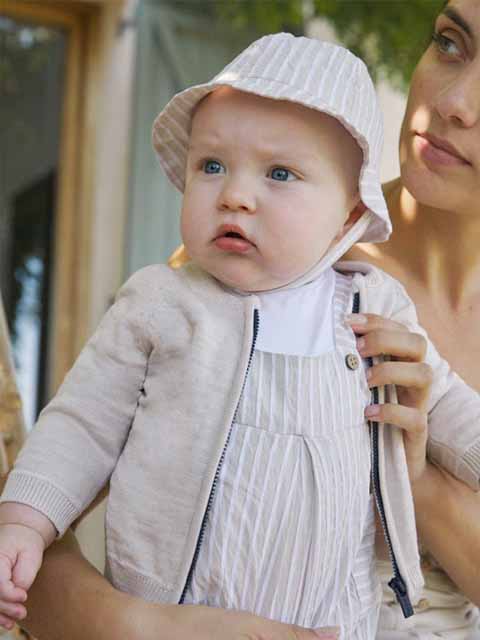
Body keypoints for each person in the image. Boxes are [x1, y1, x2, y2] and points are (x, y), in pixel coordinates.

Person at [0, 29, 476, 640]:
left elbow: (451, 407)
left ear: (349, 218)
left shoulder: (374, 307)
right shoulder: (164, 303)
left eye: (279, 173)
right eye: (212, 165)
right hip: (174, 610)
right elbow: (82, 425)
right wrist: (24, 521)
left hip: (336, 624)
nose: (235, 196)